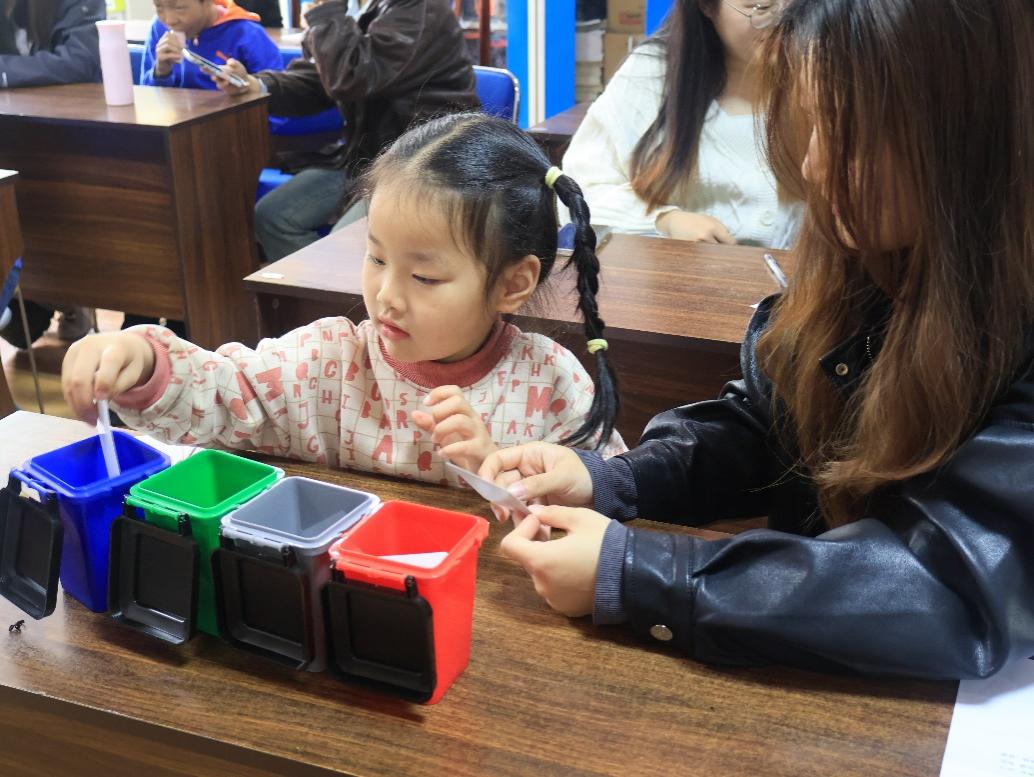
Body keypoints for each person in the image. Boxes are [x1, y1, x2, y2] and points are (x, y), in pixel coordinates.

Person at [481, 0, 1034, 680]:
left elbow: (953, 585)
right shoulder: (870, 263)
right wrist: (611, 480)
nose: (816, 164)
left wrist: (641, 573)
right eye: (813, 122)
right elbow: (767, 425)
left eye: (853, 133)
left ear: (966, 129)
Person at [61, 113, 626, 484]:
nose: (386, 296)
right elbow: (227, 392)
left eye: (424, 277)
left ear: (511, 284)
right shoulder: (330, 361)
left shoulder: (550, 386)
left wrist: (494, 472)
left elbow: (606, 507)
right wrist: (144, 364)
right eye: (376, 258)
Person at [211, 0, 480, 262]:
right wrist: (257, 85)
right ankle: (320, 288)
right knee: (273, 217)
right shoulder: (366, 8)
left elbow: (351, 77)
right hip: (365, 158)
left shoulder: (420, 9)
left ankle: (342, 286)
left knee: (344, 246)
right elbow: (320, 79)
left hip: (421, 164)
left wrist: (327, 13)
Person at [561, 0, 801, 248]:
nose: (783, 20)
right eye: (760, 7)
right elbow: (577, 193)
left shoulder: (821, 79)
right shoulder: (653, 75)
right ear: (707, 6)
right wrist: (666, 220)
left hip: (798, 271)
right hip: (678, 268)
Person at [0, 0, 105, 349]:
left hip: (74, 137)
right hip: (11, 136)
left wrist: (4, 72)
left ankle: (72, 292)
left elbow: (80, 60)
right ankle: (49, 293)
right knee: (20, 332)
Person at [140, 0, 281, 90]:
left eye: (179, 8)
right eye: (159, 7)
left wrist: (245, 86)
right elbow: (147, 98)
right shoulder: (159, 28)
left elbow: (279, 96)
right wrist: (161, 72)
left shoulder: (246, 33)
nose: (169, 20)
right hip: (178, 124)